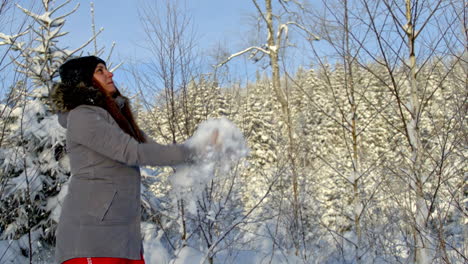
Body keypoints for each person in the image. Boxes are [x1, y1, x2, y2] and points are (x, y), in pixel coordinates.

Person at [51, 56, 216, 264]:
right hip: (92, 240)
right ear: (83, 80)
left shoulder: (114, 119)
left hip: (123, 240)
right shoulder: (83, 116)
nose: (110, 74)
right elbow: (135, 153)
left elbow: (152, 149)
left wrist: (204, 146)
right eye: (100, 70)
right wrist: (192, 153)